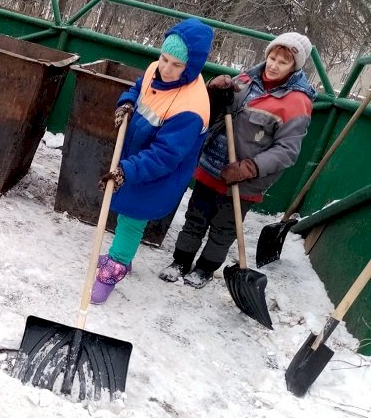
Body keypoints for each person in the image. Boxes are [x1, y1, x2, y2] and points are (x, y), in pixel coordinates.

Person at [159, 32, 315, 288]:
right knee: (195, 218)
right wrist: (213, 90)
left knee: (224, 229)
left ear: (295, 66)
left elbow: (287, 150)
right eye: (273, 57)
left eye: (283, 62)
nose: (274, 65)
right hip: (212, 168)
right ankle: (180, 261)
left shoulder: (296, 102)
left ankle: (205, 269)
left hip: (244, 182)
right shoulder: (244, 80)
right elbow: (212, 111)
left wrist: (249, 168)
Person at [90, 17, 214, 304]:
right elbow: (138, 87)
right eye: (164, 58)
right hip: (136, 159)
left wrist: (126, 171)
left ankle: (115, 267)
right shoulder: (154, 71)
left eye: (176, 65)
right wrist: (127, 101)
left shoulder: (191, 108)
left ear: (192, 66)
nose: (166, 69)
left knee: (133, 218)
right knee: (125, 212)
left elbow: (164, 156)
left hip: (157, 175)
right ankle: (124, 256)